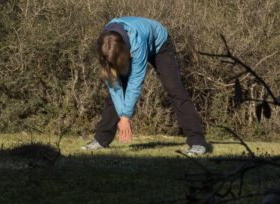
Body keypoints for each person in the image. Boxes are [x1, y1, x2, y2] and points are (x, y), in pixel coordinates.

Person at [81, 16, 208, 157]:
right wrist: (123, 116)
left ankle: (197, 142)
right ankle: (101, 139)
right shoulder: (104, 45)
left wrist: (125, 117)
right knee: (117, 92)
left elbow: (135, 82)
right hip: (125, 48)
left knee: (175, 89)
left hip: (160, 45)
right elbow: (114, 87)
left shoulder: (137, 43)